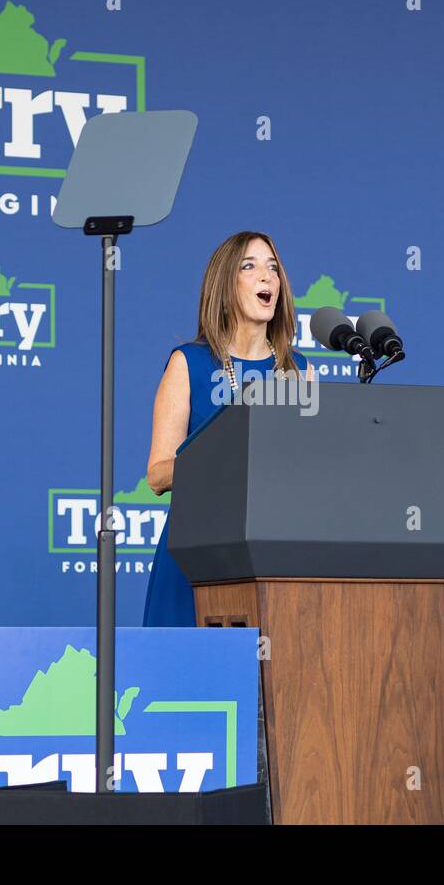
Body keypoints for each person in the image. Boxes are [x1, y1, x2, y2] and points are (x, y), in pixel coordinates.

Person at [142, 231, 313, 626]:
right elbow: (157, 474)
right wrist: (223, 465)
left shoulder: (299, 372)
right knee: (187, 680)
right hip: (195, 553)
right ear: (225, 284)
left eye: (273, 267)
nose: (266, 277)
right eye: (249, 266)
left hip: (273, 556)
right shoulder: (189, 363)